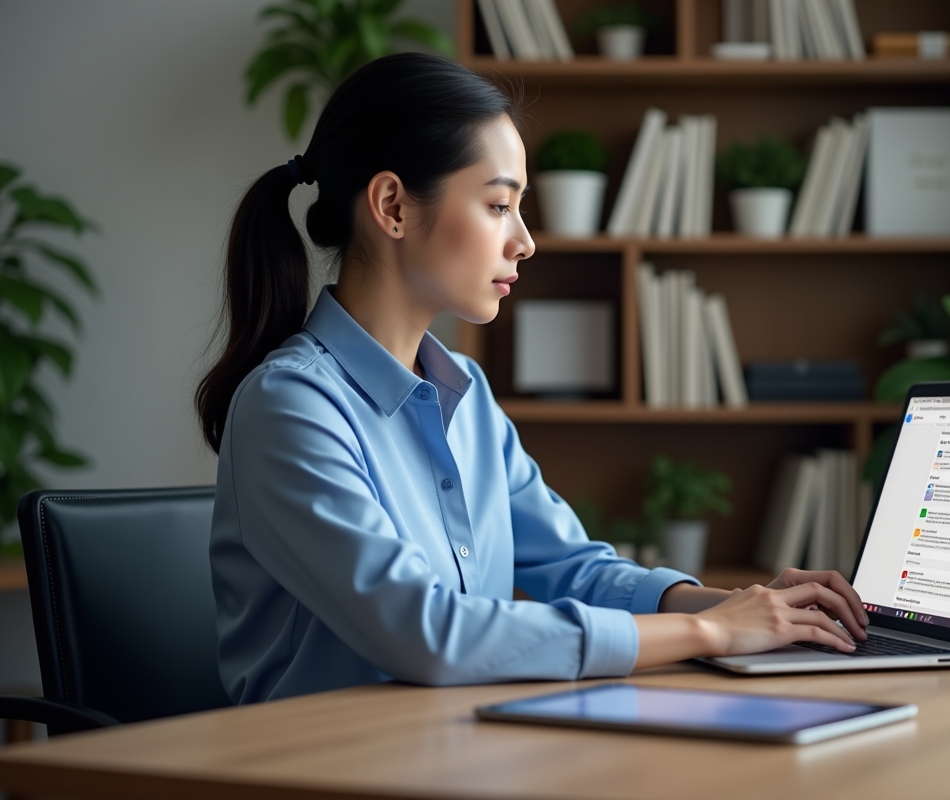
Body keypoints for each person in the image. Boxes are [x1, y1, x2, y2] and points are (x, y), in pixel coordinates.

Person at [197, 53, 867, 705]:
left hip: (459, 742)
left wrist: (747, 607)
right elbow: (429, 634)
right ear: (393, 205)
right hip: (323, 760)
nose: (526, 241)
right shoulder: (290, 407)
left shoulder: (466, 392)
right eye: (498, 205)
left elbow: (574, 567)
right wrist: (711, 632)